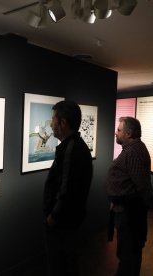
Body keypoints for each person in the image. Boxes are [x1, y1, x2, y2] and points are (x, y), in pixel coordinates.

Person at [43, 100, 93, 276]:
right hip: (69, 221)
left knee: (60, 266)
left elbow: (67, 189)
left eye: (53, 119)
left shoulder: (71, 149)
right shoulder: (75, 147)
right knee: (67, 264)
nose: (51, 124)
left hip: (63, 224)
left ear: (62, 122)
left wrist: (53, 216)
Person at [106, 116, 153, 276]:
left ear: (128, 134)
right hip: (126, 211)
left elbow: (141, 184)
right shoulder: (132, 149)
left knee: (129, 254)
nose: (116, 133)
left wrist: (147, 202)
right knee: (129, 253)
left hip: (130, 215)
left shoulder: (133, 152)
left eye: (119, 130)